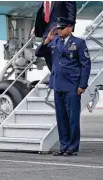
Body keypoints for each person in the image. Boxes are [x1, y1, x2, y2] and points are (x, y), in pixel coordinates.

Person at [36, 17, 91, 156]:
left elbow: (85, 64)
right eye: (58, 29)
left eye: (61, 28)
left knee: (72, 118)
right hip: (58, 85)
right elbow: (39, 53)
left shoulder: (79, 43)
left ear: (70, 27)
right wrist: (46, 41)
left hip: (72, 86)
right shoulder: (54, 42)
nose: (59, 31)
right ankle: (64, 145)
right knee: (61, 118)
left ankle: (72, 147)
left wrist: (82, 85)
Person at [33, 1, 77, 72]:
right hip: (46, 32)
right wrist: (36, 27)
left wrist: (69, 26)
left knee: (60, 60)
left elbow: (71, 9)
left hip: (59, 30)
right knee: (49, 60)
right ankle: (56, 78)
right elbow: (42, 12)